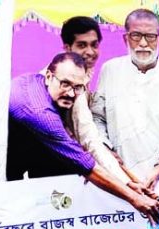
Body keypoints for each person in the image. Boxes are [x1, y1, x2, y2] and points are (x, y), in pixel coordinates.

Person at [0, 52, 159, 221]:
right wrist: (134, 199)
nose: (70, 93)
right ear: (48, 76)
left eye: (78, 87)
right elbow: (85, 164)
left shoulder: (37, 84)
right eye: (65, 83)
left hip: (2, 177)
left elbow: (91, 145)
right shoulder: (38, 110)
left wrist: (127, 183)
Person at [91, 8, 159, 192]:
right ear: (126, 39)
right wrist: (106, 150)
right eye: (136, 36)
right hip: (121, 179)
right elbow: (98, 118)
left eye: (150, 36)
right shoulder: (110, 70)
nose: (144, 43)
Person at [57, 16, 134, 184]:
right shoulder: (67, 81)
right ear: (67, 48)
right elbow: (86, 134)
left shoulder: (84, 76)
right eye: (82, 45)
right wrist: (127, 184)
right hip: (51, 166)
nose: (90, 52)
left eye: (94, 45)